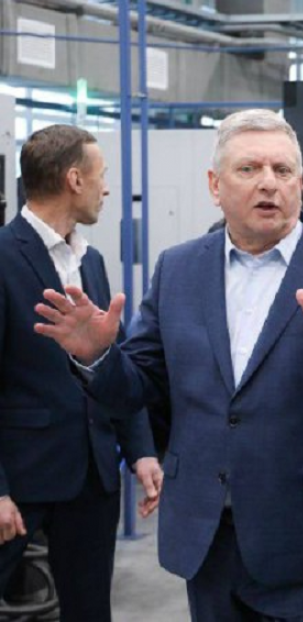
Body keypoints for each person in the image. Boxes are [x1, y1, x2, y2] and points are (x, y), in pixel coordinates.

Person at [34, 109, 303, 622]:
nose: (269, 183)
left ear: (300, 184)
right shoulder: (179, 268)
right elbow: (139, 388)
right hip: (207, 534)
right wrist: (98, 357)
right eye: (249, 169)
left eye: (283, 170)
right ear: (215, 186)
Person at [0, 124, 161, 622]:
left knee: (89, 610)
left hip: (93, 476)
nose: (106, 189)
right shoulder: (4, 257)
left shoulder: (90, 261)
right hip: (20, 480)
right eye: (101, 176)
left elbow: (114, 361)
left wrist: (140, 450)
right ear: (74, 179)